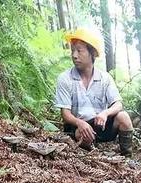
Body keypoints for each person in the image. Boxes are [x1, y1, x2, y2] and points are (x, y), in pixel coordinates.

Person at [54, 27, 134, 156]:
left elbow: (118, 104)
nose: (74, 55)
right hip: (77, 126)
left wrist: (105, 113)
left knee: (123, 117)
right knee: (82, 132)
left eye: (79, 51)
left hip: (100, 124)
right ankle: (90, 155)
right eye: (73, 51)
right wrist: (80, 123)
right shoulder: (65, 78)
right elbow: (65, 114)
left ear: (92, 53)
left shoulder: (105, 78)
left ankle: (127, 157)